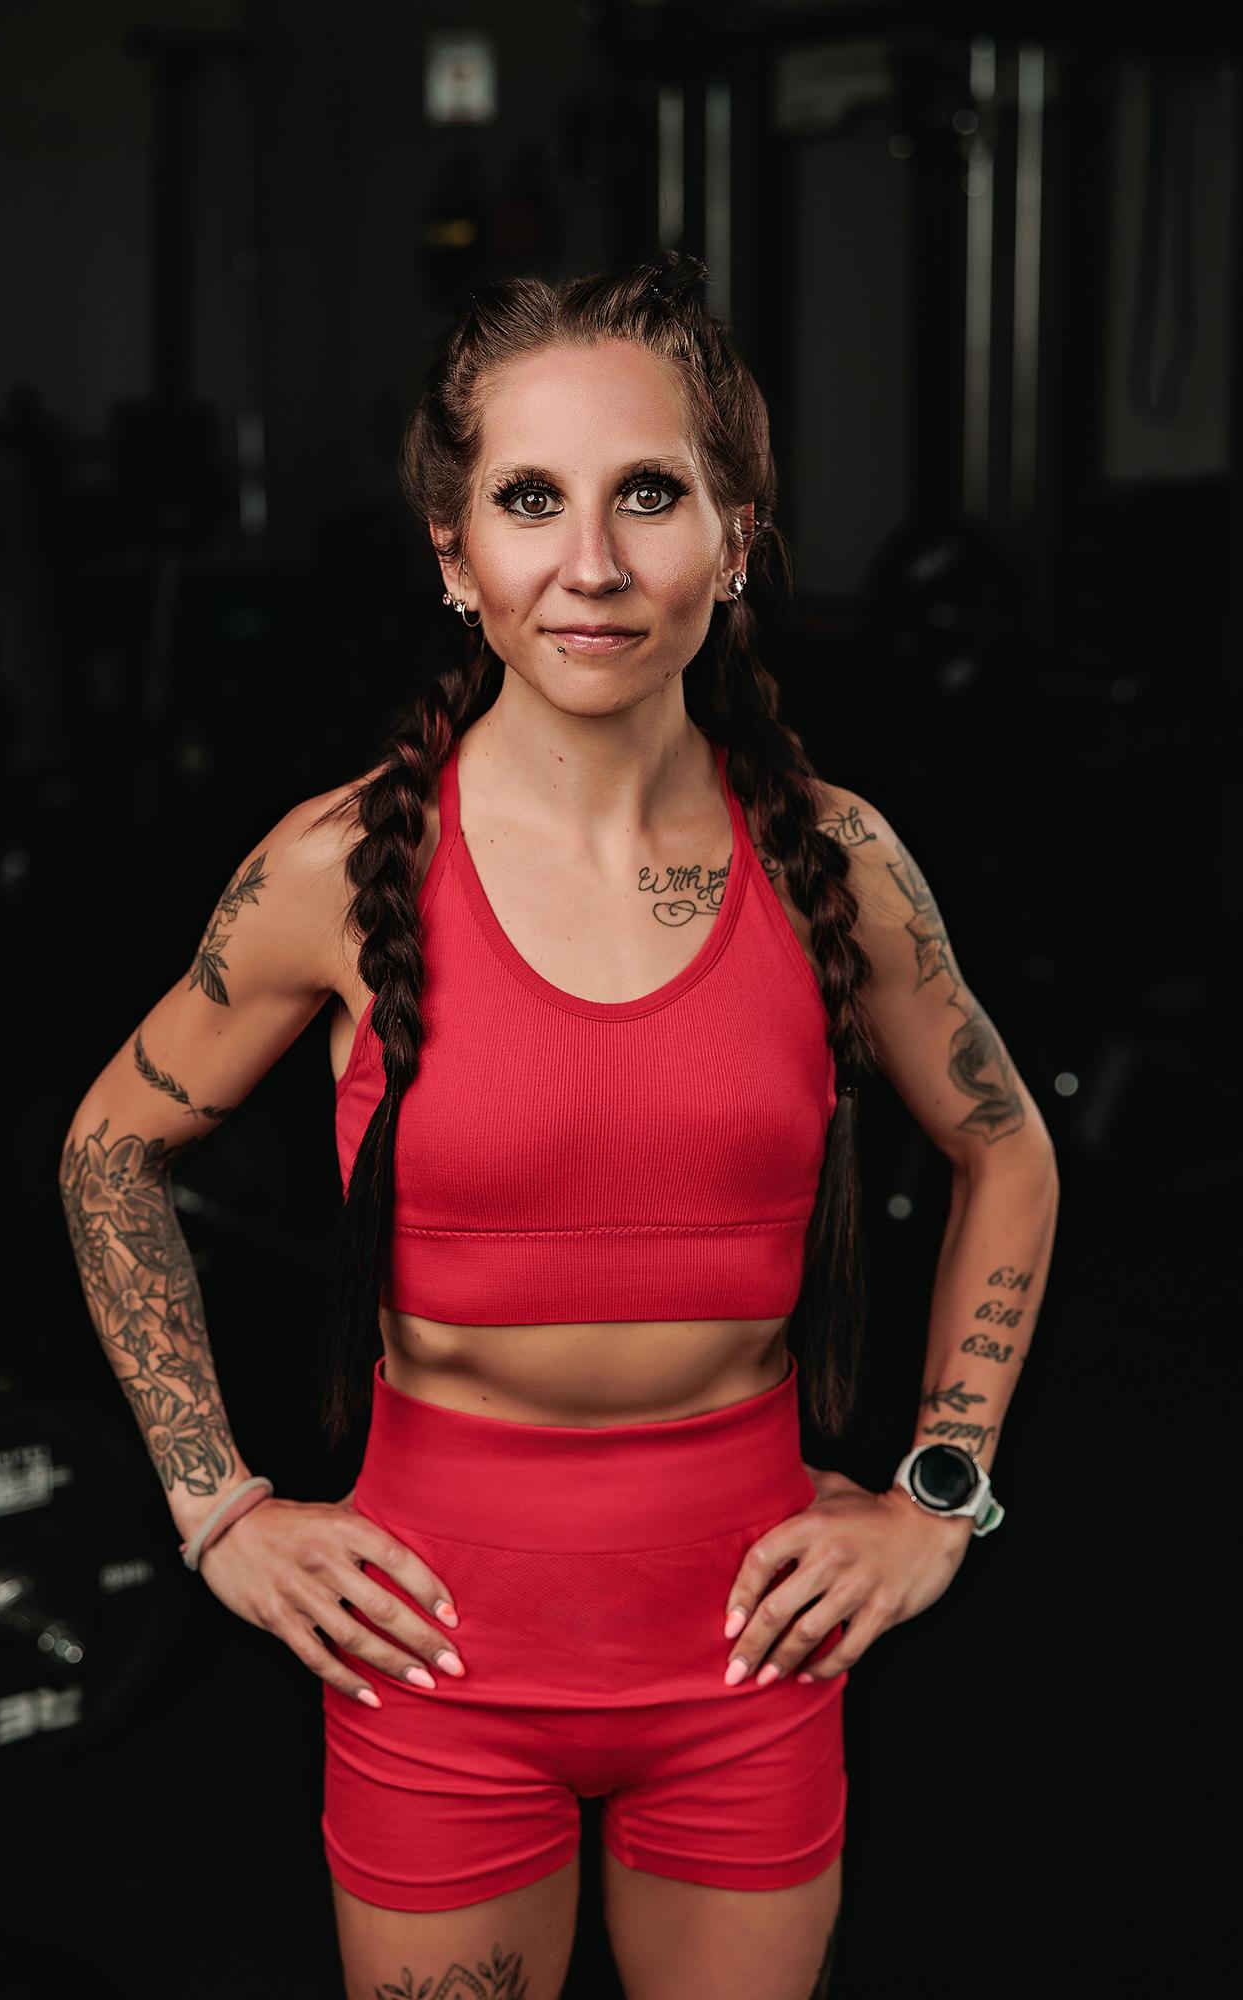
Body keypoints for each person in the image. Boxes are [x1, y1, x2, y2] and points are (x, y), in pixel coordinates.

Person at [59, 251, 1059, 2000]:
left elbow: (1006, 1145)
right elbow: (108, 1152)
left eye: (648, 495)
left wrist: (939, 1490)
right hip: (434, 1655)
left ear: (734, 535)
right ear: (456, 553)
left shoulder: (840, 859)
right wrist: (217, 1508)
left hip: (751, 1653)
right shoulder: (332, 867)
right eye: (529, 500)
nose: (589, 563)